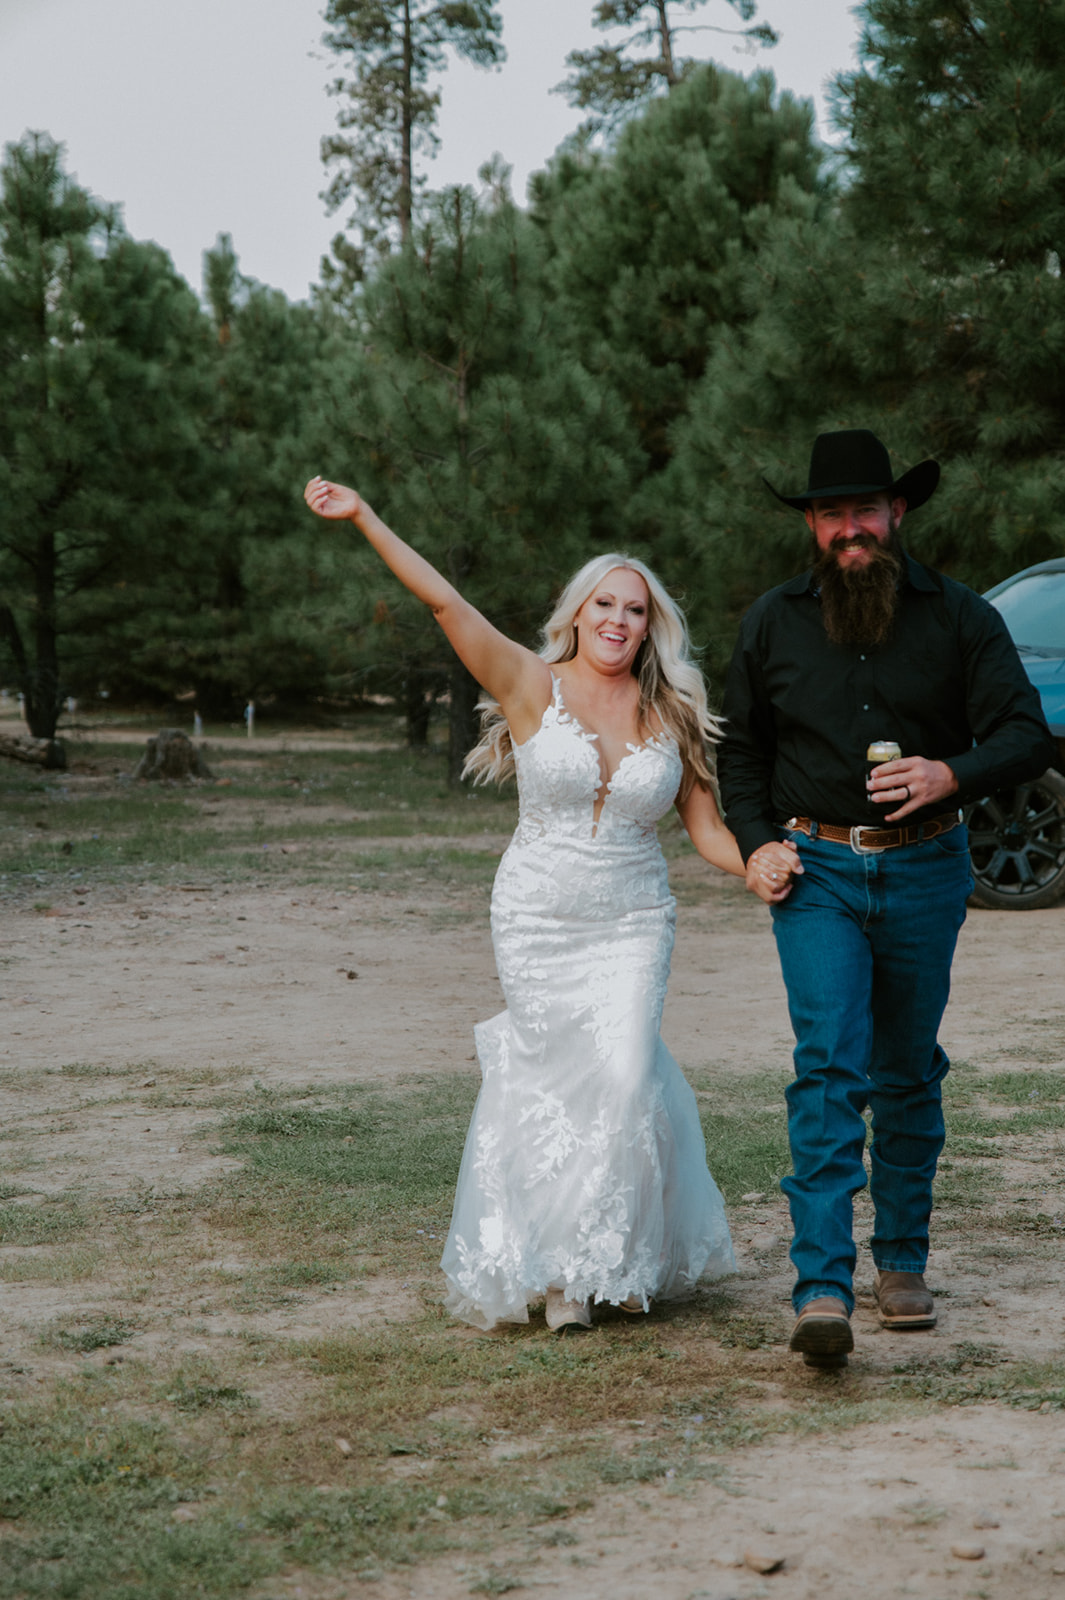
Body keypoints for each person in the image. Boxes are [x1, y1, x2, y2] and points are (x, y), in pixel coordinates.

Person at [304, 475, 801, 1332]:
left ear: (651, 626)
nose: (617, 620)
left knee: (621, 1074)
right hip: (536, 914)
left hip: (634, 917)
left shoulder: (673, 710)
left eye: (634, 610)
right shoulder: (530, 683)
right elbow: (444, 602)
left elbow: (704, 828)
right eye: (603, 604)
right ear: (577, 613)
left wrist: (749, 866)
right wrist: (365, 517)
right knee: (547, 1080)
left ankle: (592, 1265)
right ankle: (556, 1269)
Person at [717, 429, 1056, 1368]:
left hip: (924, 869)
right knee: (829, 1064)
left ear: (896, 513)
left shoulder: (959, 618)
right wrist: (754, 845)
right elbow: (738, 755)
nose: (848, 529)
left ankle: (900, 1262)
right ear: (813, 526)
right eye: (831, 514)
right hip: (816, 871)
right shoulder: (771, 622)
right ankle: (821, 1284)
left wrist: (951, 770)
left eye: (864, 510)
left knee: (906, 1068)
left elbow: (1025, 734)